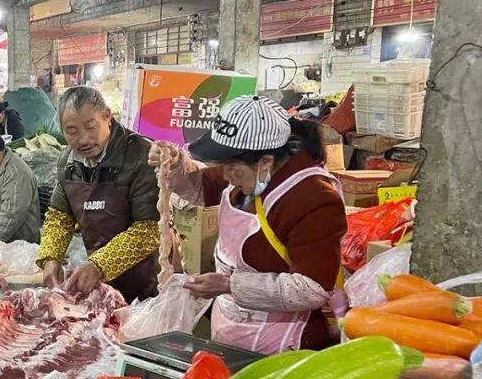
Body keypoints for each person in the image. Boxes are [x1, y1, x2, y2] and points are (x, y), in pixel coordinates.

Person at [148, 94, 347, 353]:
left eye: (233, 169)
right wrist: (174, 163)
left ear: (266, 161)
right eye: (223, 166)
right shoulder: (247, 171)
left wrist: (229, 284)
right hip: (232, 326)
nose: (227, 177)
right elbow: (200, 188)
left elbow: (312, 289)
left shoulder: (314, 198)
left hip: (281, 343)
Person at [36, 86, 160, 302]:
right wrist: (50, 257)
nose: (83, 140)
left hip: (144, 283)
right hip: (99, 281)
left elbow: (148, 230)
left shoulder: (142, 156)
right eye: (72, 132)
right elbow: (59, 216)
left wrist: (100, 265)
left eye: (90, 127)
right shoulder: (68, 162)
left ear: (106, 117)